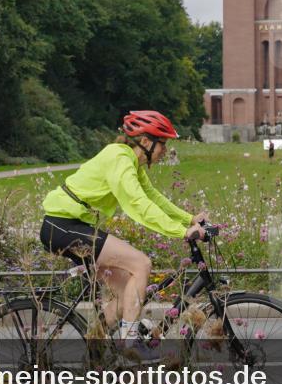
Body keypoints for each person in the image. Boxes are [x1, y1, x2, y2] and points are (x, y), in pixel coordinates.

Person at [39, 110, 208, 358]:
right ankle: (130, 347)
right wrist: (181, 231)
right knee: (141, 264)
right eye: (163, 144)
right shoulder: (119, 159)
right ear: (146, 142)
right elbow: (138, 204)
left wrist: (188, 219)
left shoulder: (130, 161)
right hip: (62, 226)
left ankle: (95, 349)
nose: (165, 151)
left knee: (125, 292)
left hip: (74, 226)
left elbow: (152, 197)